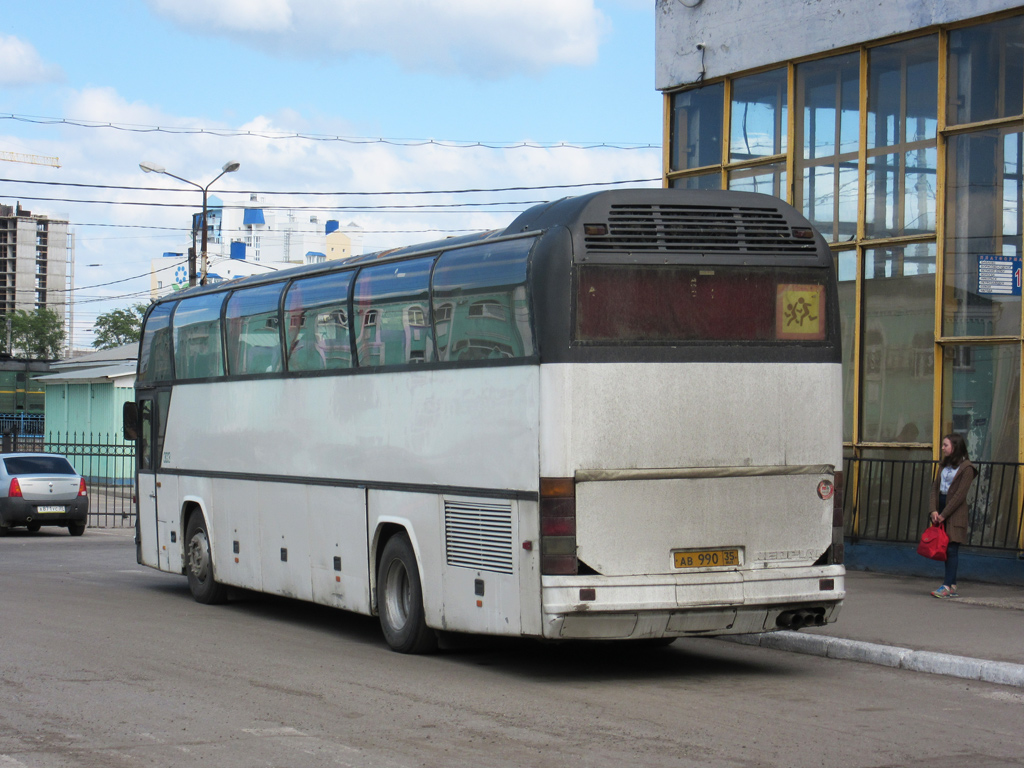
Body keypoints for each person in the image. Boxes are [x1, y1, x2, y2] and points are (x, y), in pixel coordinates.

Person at [928, 433, 977, 598]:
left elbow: (959, 496)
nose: (942, 448)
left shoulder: (967, 468)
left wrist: (944, 514)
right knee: (943, 547)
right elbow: (935, 488)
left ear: (955, 447)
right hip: (941, 507)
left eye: (945, 445)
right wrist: (933, 510)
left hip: (955, 512)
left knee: (951, 548)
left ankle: (947, 585)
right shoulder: (944, 465)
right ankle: (952, 584)